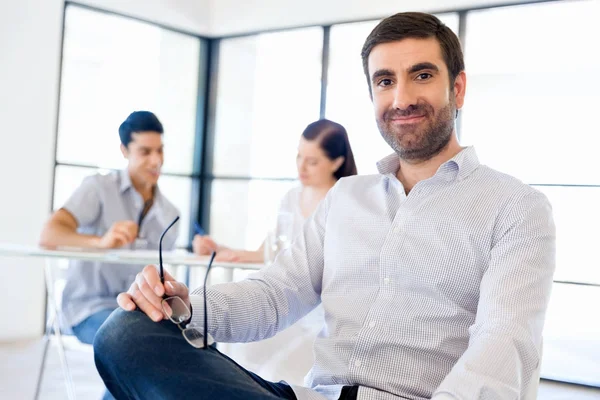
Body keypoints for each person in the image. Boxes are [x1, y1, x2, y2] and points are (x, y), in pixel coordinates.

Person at [94, 12, 556, 400]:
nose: (402, 98)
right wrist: (183, 306)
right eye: (385, 80)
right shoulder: (346, 199)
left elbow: (503, 344)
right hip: (313, 396)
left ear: (457, 89)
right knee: (126, 332)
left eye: (422, 75)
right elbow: (275, 295)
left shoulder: (515, 207)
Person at [194, 119, 357, 385]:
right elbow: (272, 252)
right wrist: (222, 250)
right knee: (236, 352)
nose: (301, 167)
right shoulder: (291, 198)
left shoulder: (344, 203)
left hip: (318, 315)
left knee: (279, 369)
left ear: (337, 162)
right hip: (285, 306)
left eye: (312, 161)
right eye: (299, 156)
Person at [39, 110, 179, 348]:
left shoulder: (171, 214)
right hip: (89, 308)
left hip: (141, 310)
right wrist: (100, 242)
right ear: (124, 151)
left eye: (160, 150)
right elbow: (49, 235)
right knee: (134, 343)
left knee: (190, 342)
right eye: (145, 151)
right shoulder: (98, 188)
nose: (156, 161)